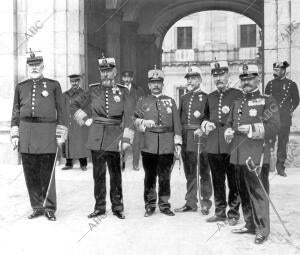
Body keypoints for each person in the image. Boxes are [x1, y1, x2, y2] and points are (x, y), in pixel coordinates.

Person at [71, 55, 134, 220]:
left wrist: (126, 138)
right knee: (98, 175)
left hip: (115, 137)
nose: (105, 74)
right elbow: (73, 104)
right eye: (103, 71)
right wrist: (85, 119)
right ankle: (99, 207)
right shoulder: (92, 90)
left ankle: (118, 207)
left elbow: (129, 115)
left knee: (116, 175)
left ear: (115, 72)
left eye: (108, 71)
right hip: (96, 137)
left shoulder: (123, 91)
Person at [225, 63, 280, 244]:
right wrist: (227, 131)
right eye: (243, 78)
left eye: (249, 78)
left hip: (256, 155)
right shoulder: (237, 102)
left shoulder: (268, 100)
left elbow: (273, 128)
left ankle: (262, 229)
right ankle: (249, 223)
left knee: (258, 192)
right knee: (242, 191)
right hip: (238, 154)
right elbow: (229, 123)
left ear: (258, 78)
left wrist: (250, 129)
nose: (246, 82)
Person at [10, 49, 67, 221]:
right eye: (31, 65)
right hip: (26, 133)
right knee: (30, 172)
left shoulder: (53, 85)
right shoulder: (21, 86)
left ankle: (49, 208)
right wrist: (15, 133)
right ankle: (36, 206)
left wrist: (61, 132)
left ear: (43, 66)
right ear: (28, 67)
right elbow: (15, 111)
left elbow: (62, 111)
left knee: (47, 171)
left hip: (47, 132)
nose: (34, 67)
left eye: (37, 64)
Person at [134, 65, 182, 217]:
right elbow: (133, 119)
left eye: (158, 82)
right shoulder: (142, 101)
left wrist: (177, 143)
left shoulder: (170, 101)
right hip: (148, 144)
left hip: (167, 145)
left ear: (162, 84)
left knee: (165, 176)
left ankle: (164, 204)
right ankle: (149, 204)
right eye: (153, 82)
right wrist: (142, 122)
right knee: (149, 176)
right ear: (149, 85)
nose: (155, 85)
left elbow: (177, 123)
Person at [200, 61, 242, 225]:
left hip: (231, 144)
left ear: (228, 75)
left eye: (221, 74)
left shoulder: (238, 95)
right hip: (213, 144)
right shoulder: (210, 97)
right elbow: (204, 117)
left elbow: (242, 116)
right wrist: (205, 124)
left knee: (233, 181)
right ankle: (219, 212)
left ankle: (233, 213)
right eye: (215, 75)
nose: (218, 78)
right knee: (217, 180)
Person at [175, 66, 212, 215]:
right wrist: (177, 139)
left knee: (204, 171)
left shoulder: (207, 97)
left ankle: (205, 203)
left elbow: (210, 118)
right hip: (186, 138)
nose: (190, 81)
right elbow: (178, 120)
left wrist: (203, 129)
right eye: (188, 78)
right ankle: (191, 202)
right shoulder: (184, 98)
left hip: (201, 139)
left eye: (193, 78)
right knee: (190, 172)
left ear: (200, 80)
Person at [265, 61, 299, 176]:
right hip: (272, 119)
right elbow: (265, 100)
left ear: (284, 70)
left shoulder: (291, 84)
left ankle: (280, 167)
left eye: (277, 70)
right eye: (274, 69)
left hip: (284, 119)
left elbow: (296, 100)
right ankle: (268, 165)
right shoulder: (269, 84)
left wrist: (289, 111)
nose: (275, 71)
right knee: (269, 141)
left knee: (282, 144)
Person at [61, 74, 89, 171]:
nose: (74, 83)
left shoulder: (84, 94)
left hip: (80, 122)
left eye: (76, 81)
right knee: (68, 141)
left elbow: (87, 108)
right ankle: (69, 163)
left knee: (81, 142)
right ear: (70, 82)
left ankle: (83, 164)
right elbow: (62, 109)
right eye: (72, 81)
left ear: (79, 82)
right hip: (68, 122)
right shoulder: (65, 95)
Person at [121, 70, 145, 170]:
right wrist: (120, 120)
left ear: (132, 78)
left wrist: (140, 118)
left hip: (136, 120)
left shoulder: (138, 90)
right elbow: (118, 107)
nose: (127, 80)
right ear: (122, 78)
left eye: (129, 78)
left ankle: (135, 164)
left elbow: (143, 105)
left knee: (137, 143)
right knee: (124, 143)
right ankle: (122, 164)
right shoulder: (119, 90)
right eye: (125, 78)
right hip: (125, 121)